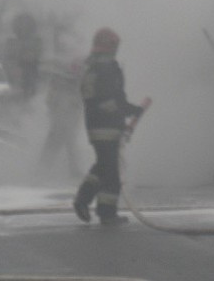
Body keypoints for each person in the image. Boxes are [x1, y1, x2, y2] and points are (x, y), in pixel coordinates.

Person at [73, 27, 144, 226]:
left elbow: (97, 100)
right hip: (107, 126)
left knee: (103, 166)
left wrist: (126, 112)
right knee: (111, 171)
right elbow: (112, 99)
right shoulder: (108, 68)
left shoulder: (92, 67)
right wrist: (131, 110)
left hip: (96, 126)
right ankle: (105, 212)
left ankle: (84, 201)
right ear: (110, 46)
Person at [37, 57, 84, 180]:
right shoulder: (62, 86)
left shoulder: (63, 84)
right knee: (57, 144)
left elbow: (52, 101)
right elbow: (52, 102)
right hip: (62, 119)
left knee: (61, 144)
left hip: (65, 119)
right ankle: (42, 171)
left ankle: (42, 170)